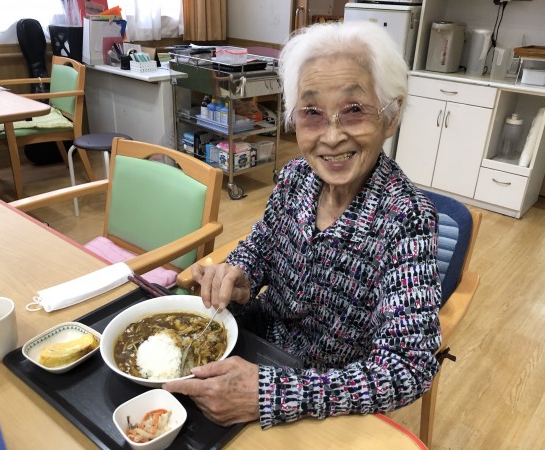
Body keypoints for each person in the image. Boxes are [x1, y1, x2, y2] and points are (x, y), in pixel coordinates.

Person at [164, 20, 442, 429]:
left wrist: (272, 395)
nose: (331, 137)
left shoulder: (407, 218)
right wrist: (240, 272)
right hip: (256, 344)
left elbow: (408, 367)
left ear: (391, 116)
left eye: (354, 110)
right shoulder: (296, 176)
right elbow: (262, 244)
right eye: (312, 113)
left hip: (323, 393)